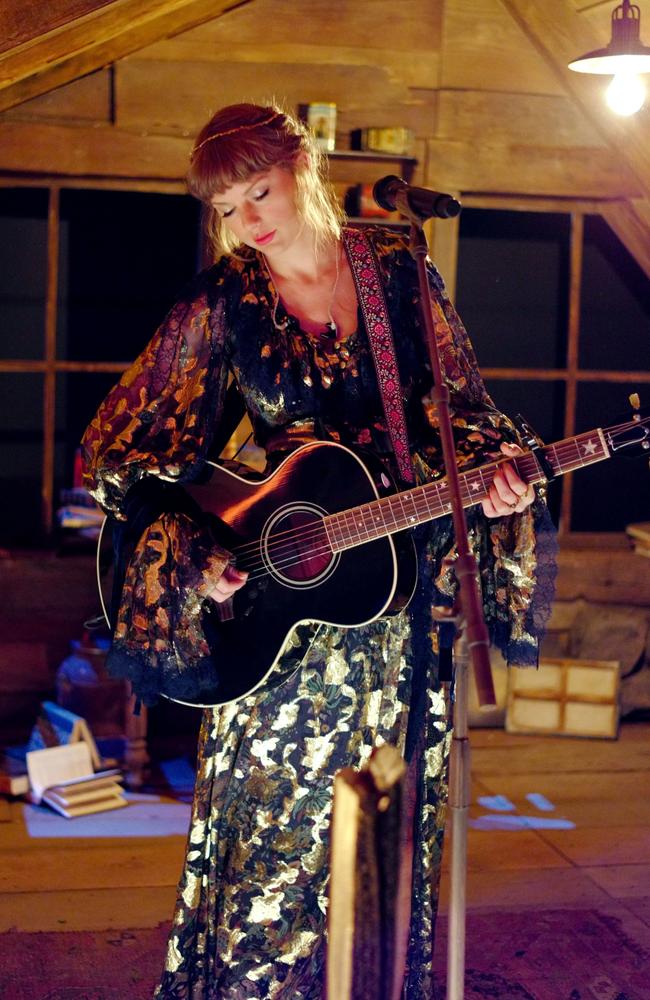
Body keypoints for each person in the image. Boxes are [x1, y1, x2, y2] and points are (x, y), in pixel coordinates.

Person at [81, 102, 555, 998]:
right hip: (282, 624)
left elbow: (458, 407)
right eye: (227, 207)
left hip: (398, 605)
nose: (248, 220)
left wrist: (500, 474)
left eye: (259, 190)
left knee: (385, 835)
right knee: (280, 843)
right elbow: (120, 449)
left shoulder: (398, 270)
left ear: (306, 166)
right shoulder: (222, 305)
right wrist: (196, 547)